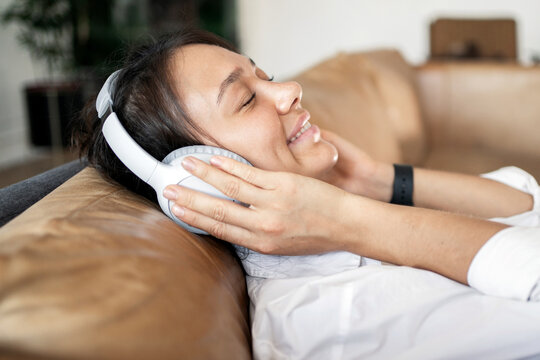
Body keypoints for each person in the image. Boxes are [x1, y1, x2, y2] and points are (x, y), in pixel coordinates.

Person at [72, 28, 540, 302]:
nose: (289, 88)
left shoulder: (349, 219)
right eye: (247, 99)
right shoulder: (337, 319)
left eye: (264, 75)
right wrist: (347, 217)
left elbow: (525, 202)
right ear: (204, 176)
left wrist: (374, 180)